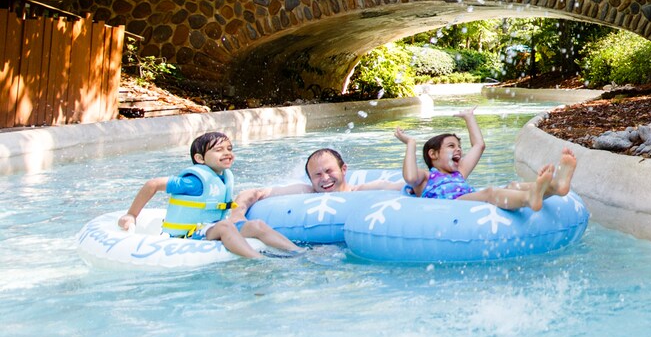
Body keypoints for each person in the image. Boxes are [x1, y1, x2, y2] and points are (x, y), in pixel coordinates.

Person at [117, 131, 302, 260]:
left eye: (229, 148)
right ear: (200, 159)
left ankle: (297, 252)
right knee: (225, 227)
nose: (227, 153)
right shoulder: (194, 181)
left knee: (256, 225)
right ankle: (259, 260)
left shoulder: (223, 177)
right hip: (187, 235)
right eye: (219, 150)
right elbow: (153, 184)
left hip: (210, 227)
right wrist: (131, 215)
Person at [394, 107, 575, 212]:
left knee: (512, 185)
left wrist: (469, 117)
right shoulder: (425, 178)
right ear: (433, 154)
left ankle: (554, 187)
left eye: (459, 146)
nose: (458, 150)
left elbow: (478, 145)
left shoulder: (459, 172)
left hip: (466, 200)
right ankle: (530, 197)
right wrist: (411, 143)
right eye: (451, 146)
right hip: (452, 208)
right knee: (489, 192)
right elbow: (409, 177)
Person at [232, 147, 404, 207]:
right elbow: (256, 192)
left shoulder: (360, 190)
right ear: (310, 179)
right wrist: (236, 216)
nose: (325, 178)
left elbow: (396, 186)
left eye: (329, 171)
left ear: (344, 169)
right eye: (317, 175)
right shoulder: (306, 191)